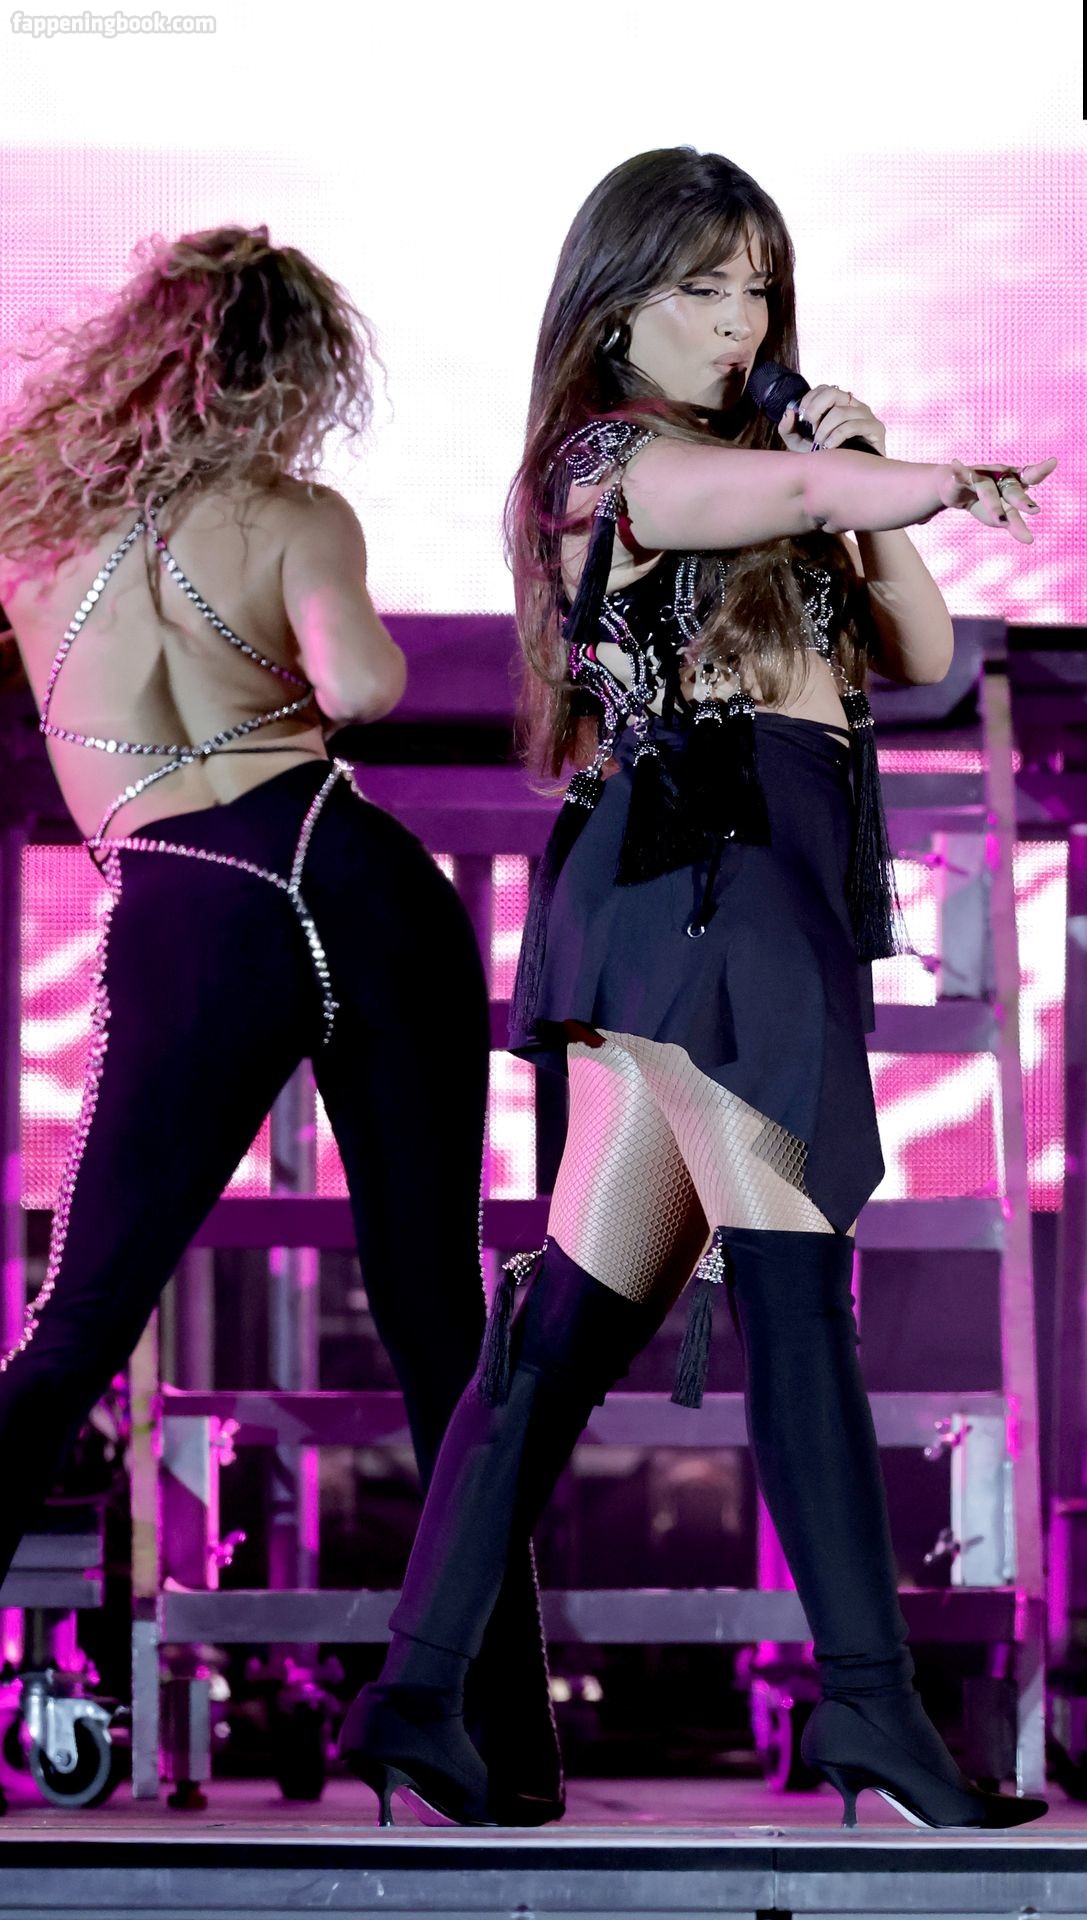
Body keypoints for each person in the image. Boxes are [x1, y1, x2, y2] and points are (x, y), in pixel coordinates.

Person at [340, 148, 1056, 1831]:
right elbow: (775, 504)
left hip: (745, 892)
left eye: (757, 290)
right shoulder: (606, 460)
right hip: (703, 886)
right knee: (795, 1286)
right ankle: (872, 1708)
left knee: (572, 1327)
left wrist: (869, 482)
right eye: (703, 287)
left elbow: (923, 655)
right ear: (617, 304)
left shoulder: (777, 473)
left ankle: (416, 1693)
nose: (740, 322)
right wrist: (910, 479)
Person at [0, 226, 560, 1823]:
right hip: (347, 873)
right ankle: (500, 1751)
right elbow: (363, 688)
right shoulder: (295, 512)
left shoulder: (31, 526)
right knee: (440, 1326)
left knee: (76, 1325)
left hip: (182, 903)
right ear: (304, 370)